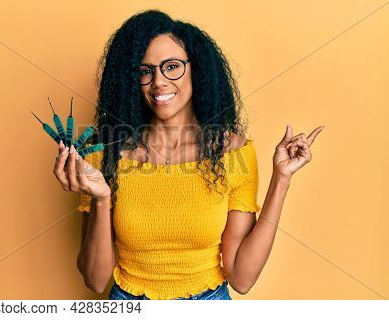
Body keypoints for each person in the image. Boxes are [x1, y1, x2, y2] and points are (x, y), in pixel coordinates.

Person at [53, 10, 324, 300]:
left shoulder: (233, 152)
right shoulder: (103, 154)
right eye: (145, 71)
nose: (158, 82)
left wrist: (281, 179)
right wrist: (101, 197)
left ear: (197, 70)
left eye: (172, 67)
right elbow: (95, 280)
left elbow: (242, 278)